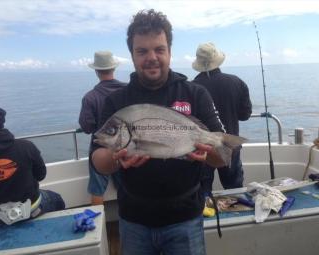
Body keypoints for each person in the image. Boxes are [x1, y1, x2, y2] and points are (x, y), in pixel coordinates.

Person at [91, 9, 226, 255]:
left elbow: (221, 157)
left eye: (159, 49)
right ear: (132, 55)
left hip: (185, 218)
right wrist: (115, 157)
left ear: (169, 52)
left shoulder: (195, 93)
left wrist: (208, 154)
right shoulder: (115, 102)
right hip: (133, 221)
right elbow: (98, 159)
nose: (151, 57)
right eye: (142, 51)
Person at [0, 107, 65, 225]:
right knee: (56, 198)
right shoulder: (26, 147)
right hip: (32, 210)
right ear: (2, 123)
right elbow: (41, 175)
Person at [192, 42, 252, 192]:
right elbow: (245, 115)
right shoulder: (237, 82)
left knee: (203, 192)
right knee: (234, 189)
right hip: (230, 145)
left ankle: (206, 213)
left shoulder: (191, 88)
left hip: (203, 149)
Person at [79, 51, 126, 205]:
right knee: (127, 188)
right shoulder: (127, 91)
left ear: (96, 71)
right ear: (113, 69)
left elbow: (86, 127)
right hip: (127, 147)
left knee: (97, 191)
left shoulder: (90, 97)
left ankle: (99, 228)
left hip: (101, 151)